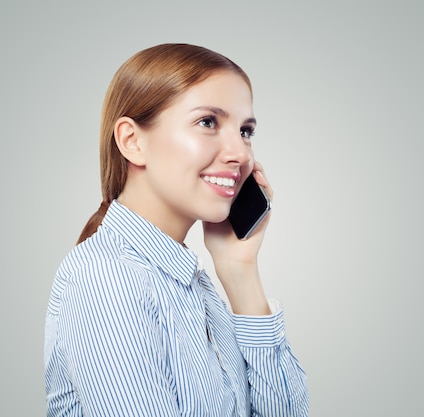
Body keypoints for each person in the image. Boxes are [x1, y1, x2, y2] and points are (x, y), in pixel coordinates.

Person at [44, 43, 309, 416]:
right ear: (132, 142)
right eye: (208, 122)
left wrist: (240, 272)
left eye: (245, 130)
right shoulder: (105, 277)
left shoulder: (194, 286)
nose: (241, 154)